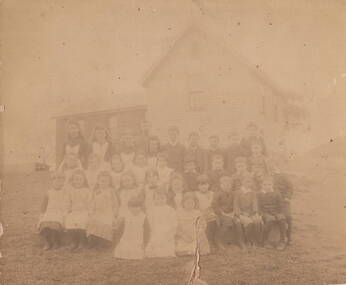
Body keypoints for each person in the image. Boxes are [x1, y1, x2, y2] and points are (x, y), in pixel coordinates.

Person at [212, 175, 245, 250]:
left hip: (231, 213)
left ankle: (240, 241)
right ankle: (218, 240)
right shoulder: (217, 193)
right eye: (225, 184)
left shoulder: (233, 194)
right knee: (227, 222)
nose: (227, 186)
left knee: (238, 222)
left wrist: (234, 213)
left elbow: (235, 204)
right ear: (221, 185)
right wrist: (222, 213)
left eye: (229, 184)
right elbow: (214, 205)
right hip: (221, 214)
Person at [87, 171, 119, 248]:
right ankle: (95, 241)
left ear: (109, 182)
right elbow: (91, 203)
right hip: (98, 211)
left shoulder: (111, 191)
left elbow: (115, 203)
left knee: (106, 222)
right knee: (94, 221)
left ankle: (104, 242)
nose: (104, 183)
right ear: (98, 181)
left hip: (108, 211)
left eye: (106, 181)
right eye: (102, 181)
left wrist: (115, 214)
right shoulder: (95, 191)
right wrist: (91, 212)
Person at [38, 171, 67, 250]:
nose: (57, 182)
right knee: (45, 224)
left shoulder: (65, 192)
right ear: (52, 181)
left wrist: (65, 214)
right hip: (49, 212)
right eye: (55, 179)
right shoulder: (49, 192)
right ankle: (47, 242)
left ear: (63, 181)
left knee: (55, 223)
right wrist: (41, 216)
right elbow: (43, 207)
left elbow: (67, 204)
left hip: (60, 212)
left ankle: (55, 241)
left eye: (60, 180)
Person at [145, 190, 178, 258]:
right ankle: (156, 253)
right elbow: (150, 221)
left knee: (167, 241)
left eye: (162, 198)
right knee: (155, 241)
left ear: (166, 199)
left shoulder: (170, 209)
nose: (160, 200)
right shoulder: (151, 210)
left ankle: (167, 253)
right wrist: (152, 230)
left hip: (167, 229)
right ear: (154, 199)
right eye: (158, 199)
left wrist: (172, 231)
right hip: (156, 229)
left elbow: (174, 222)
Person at [65, 169, 91, 251]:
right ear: (72, 180)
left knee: (82, 221)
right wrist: (68, 211)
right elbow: (68, 202)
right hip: (74, 211)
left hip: (84, 210)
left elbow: (90, 202)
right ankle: (74, 242)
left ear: (84, 180)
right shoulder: (70, 191)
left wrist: (89, 212)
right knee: (70, 221)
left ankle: (82, 242)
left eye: (80, 179)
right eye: (76, 179)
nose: (78, 181)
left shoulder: (87, 191)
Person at [257, 175, 287, 250]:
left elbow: (281, 205)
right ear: (262, 185)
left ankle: (282, 241)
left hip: (276, 212)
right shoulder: (260, 194)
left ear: (272, 185)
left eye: (269, 184)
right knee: (270, 220)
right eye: (265, 184)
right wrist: (261, 213)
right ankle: (266, 241)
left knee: (282, 220)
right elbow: (258, 206)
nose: (267, 186)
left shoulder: (276, 193)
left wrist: (280, 213)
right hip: (265, 212)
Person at [176, 192, 209, 256]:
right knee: (180, 247)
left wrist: (198, 232)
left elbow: (203, 224)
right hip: (184, 234)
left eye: (192, 203)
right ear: (183, 203)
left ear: (195, 203)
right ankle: (186, 251)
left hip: (195, 234)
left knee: (197, 245)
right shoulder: (179, 213)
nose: (189, 205)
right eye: (187, 203)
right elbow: (177, 227)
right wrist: (183, 235)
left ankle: (193, 251)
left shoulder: (197, 213)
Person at [234, 175, 263, 247]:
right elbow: (236, 205)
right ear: (242, 182)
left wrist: (255, 212)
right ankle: (247, 240)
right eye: (246, 182)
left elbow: (255, 203)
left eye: (249, 182)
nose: (248, 184)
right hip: (242, 213)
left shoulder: (253, 193)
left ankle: (255, 240)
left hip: (251, 212)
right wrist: (240, 214)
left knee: (257, 221)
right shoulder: (238, 192)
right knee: (249, 223)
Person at [195, 175, 218, 253]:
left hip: (209, 212)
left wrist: (210, 212)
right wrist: (201, 213)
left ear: (208, 185)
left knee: (213, 220)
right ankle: (204, 243)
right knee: (201, 221)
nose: (203, 186)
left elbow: (213, 205)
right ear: (198, 186)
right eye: (201, 185)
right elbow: (196, 206)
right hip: (199, 213)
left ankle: (211, 241)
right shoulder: (196, 194)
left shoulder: (212, 193)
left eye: (205, 184)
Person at [272, 169, 293, 245]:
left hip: (283, 199)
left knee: (288, 217)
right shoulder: (267, 175)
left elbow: (290, 187)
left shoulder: (283, 175)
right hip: (272, 199)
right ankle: (278, 238)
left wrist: (287, 197)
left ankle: (289, 237)